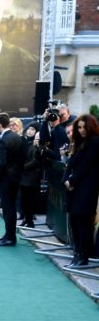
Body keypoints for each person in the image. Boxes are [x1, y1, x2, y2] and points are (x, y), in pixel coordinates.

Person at [63, 114, 99, 267]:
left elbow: (87, 164)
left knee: (83, 222)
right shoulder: (79, 143)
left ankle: (83, 256)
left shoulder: (95, 141)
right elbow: (70, 163)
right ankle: (78, 253)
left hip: (87, 188)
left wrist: (72, 180)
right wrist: (66, 179)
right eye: (79, 127)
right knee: (75, 221)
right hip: (75, 188)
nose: (82, 130)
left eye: (84, 127)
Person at [0, 112, 23, 247]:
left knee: (8, 208)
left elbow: (2, 163)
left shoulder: (2, 140)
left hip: (6, 179)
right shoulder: (17, 137)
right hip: (16, 178)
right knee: (10, 207)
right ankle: (9, 235)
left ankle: (10, 237)